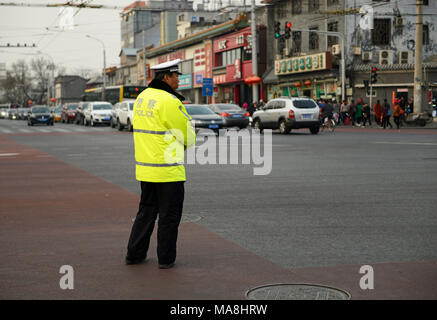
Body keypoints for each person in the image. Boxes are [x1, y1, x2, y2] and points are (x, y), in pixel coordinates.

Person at [126, 59, 196, 269]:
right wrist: (192, 134)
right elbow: (188, 137)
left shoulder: (141, 98)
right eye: (176, 76)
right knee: (169, 216)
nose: (179, 79)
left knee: (145, 213)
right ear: (166, 77)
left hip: (146, 169)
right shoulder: (169, 101)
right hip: (168, 172)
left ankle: (134, 254)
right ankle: (165, 259)